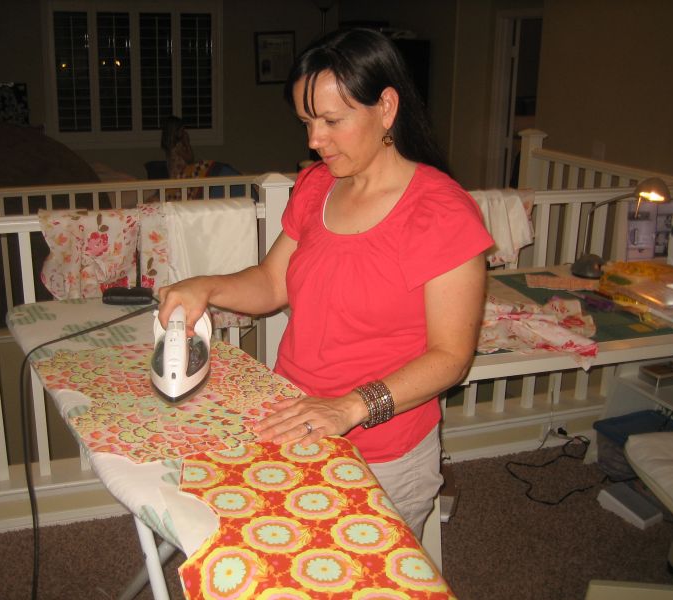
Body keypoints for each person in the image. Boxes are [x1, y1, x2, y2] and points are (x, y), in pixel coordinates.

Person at [157, 28, 494, 539]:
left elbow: (451, 358)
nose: (314, 140)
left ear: (386, 107)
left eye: (332, 121)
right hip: (290, 421)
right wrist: (205, 286)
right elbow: (272, 282)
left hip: (383, 451)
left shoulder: (442, 213)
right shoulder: (316, 185)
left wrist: (349, 407)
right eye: (307, 121)